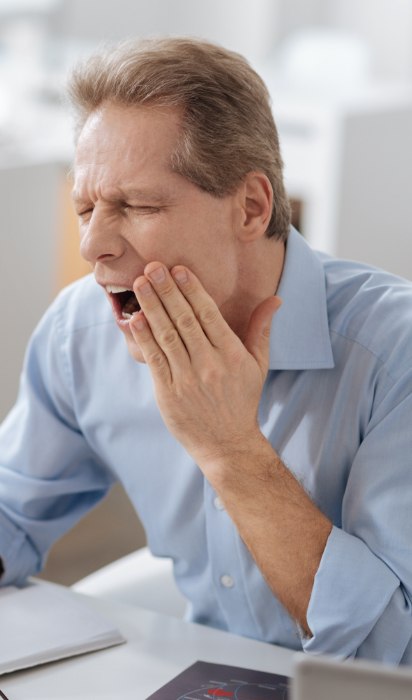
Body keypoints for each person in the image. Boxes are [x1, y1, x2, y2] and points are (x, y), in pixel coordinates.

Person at [0, 37, 411, 664]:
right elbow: (13, 514)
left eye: (135, 206)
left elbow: (392, 651)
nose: (93, 247)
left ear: (250, 207)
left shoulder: (392, 353)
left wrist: (229, 448)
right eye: (85, 207)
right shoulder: (79, 332)